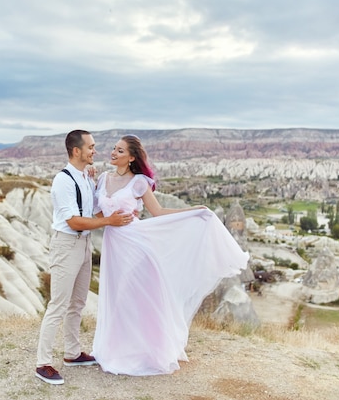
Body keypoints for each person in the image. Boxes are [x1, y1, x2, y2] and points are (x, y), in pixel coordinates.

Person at [91, 134, 249, 376]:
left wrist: (193, 211)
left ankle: (148, 350)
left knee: (135, 297)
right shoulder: (102, 179)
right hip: (114, 246)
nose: (114, 153)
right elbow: (99, 215)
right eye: (114, 148)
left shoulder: (139, 183)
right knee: (116, 297)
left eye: (121, 151)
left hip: (136, 245)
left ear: (132, 157)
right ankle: (117, 349)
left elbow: (158, 211)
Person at [35, 130, 135, 385]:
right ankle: (43, 363)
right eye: (90, 147)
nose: (95, 151)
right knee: (58, 304)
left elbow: (93, 208)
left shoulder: (85, 178)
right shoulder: (64, 180)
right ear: (76, 151)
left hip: (84, 244)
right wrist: (108, 221)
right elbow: (73, 220)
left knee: (77, 302)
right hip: (67, 244)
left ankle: (72, 353)